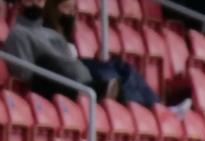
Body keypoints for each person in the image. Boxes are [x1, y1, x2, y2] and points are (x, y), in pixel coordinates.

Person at [4, 0, 155, 103]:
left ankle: (153, 105)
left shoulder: (51, 33)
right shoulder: (18, 33)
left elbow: (70, 58)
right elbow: (23, 73)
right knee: (45, 62)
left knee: (118, 65)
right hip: (50, 81)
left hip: (75, 73)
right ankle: (103, 90)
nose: (37, 2)